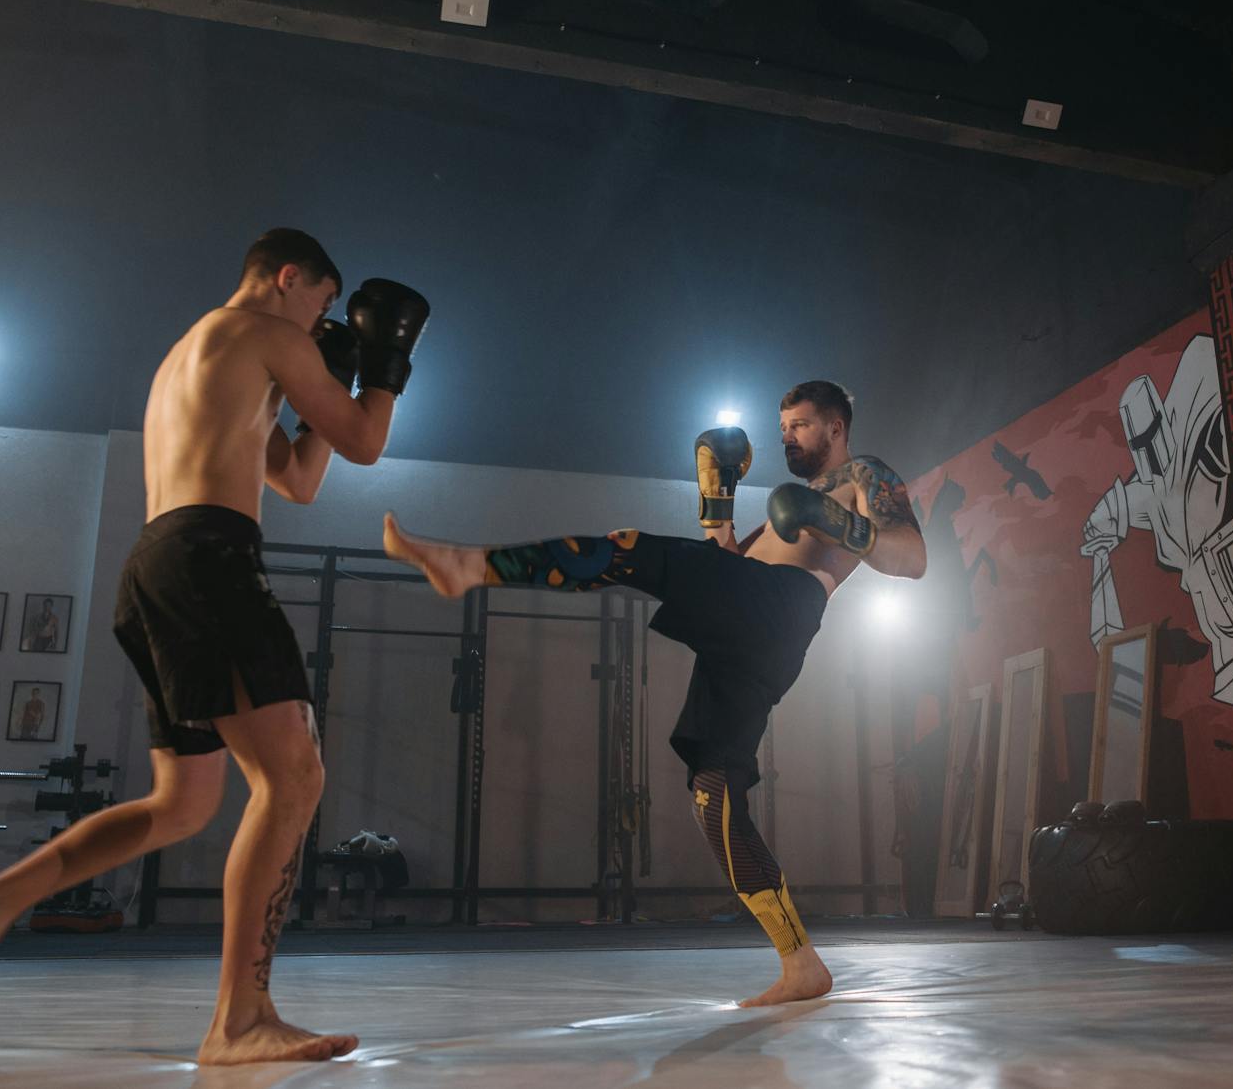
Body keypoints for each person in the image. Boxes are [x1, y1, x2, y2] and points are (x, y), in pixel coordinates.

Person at [0, 227, 427, 1064]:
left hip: (160, 563)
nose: (322, 321)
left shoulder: (201, 353)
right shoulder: (263, 331)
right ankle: (241, 1018)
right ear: (286, 277)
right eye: (323, 305)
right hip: (209, 561)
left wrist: (328, 380)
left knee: (184, 804)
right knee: (294, 776)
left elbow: (300, 480)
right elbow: (367, 442)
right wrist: (385, 366)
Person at [385, 379, 925, 1006]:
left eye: (801, 426)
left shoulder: (865, 474)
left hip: (784, 609)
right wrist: (715, 500)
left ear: (836, 426)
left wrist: (838, 524)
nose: (788, 438)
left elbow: (912, 559)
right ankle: (800, 962)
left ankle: (471, 566)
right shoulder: (788, 506)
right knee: (712, 794)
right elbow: (722, 564)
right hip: (754, 627)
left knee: (629, 549)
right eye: (783, 429)